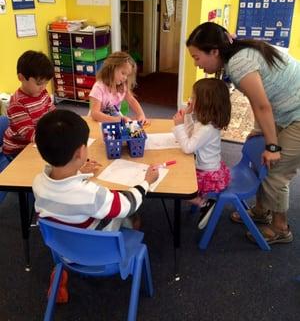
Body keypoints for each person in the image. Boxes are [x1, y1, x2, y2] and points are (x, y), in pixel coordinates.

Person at [186, 21, 300, 244]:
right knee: (263, 158)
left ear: (215, 52)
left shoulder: (238, 63)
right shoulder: (236, 56)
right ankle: (261, 210)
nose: (197, 65)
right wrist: (261, 131)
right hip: (285, 110)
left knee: (276, 169)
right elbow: (256, 98)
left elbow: (262, 106)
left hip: (297, 113)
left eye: (197, 58)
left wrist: (273, 146)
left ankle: (280, 228)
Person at [33, 109, 159, 302]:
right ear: (81, 152)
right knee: (128, 214)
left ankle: (60, 274)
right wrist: (146, 182)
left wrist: (77, 170)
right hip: (102, 257)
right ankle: (131, 228)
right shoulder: (92, 195)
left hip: (64, 253)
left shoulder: (38, 184)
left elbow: (65, 192)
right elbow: (126, 204)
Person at [173, 78, 231, 229]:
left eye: (193, 97)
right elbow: (192, 134)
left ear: (205, 102)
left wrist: (179, 126)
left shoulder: (207, 128)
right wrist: (187, 115)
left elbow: (188, 147)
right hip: (207, 167)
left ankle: (204, 203)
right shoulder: (205, 123)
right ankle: (203, 202)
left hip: (207, 173)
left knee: (178, 185)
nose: (190, 100)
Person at [3, 50, 55, 159]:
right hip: (18, 149)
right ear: (21, 77)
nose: (43, 87)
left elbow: (52, 114)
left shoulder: (42, 92)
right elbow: (29, 133)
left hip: (35, 142)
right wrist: (54, 138)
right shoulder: (17, 103)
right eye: (39, 83)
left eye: (46, 83)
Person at [89, 51, 147, 124]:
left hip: (116, 119)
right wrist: (118, 119)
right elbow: (95, 114)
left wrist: (141, 114)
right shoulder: (98, 88)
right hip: (98, 121)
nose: (125, 78)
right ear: (111, 69)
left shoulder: (122, 86)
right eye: (123, 73)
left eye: (127, 75)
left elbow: (132, 100)